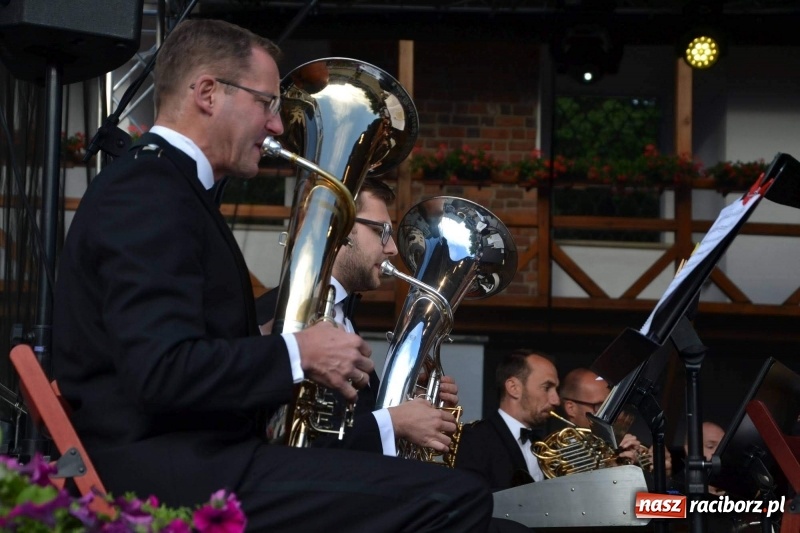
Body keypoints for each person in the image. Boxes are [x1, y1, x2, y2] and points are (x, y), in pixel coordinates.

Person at [51, 18, 491, 532]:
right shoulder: (150, 192)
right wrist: (298, 353)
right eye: (266, 104)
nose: (278, 126)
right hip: (174, 473)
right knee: (456, 499)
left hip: (195, 461)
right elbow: (161, 370)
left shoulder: (165, 188)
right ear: (208, 93)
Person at [256, 177, 461, 457]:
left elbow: (351, 420)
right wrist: (394, 422)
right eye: (382, 231)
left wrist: (409, 402)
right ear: (340, 228)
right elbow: (290, 441)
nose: (392, 249)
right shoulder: (279, 315)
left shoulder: (344, 313)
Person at [455, 349, 560, 491]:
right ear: (513, 388)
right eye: (547, 388)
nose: (556, 400)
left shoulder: (545, 445)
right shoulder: (476, 438)